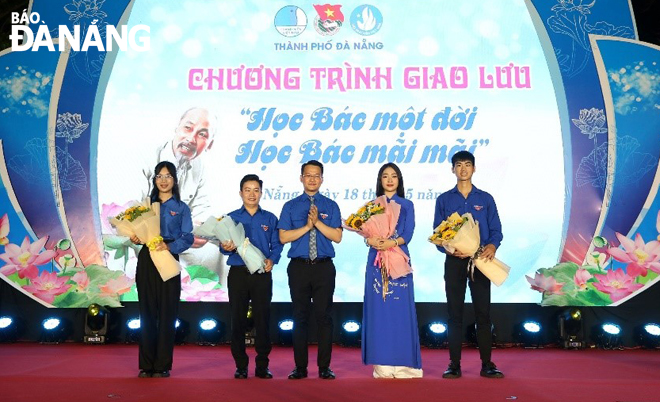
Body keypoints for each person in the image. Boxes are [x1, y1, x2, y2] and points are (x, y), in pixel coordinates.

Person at [433, 151, 504, 379]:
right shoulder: (444, 200)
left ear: (474, 169)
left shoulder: (485, 199)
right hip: (454, 263)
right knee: (454, 314)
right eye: (458, 165)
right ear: (452, 169)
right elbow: (438, 234)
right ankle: (454, 364)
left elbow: (496, 231)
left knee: (483, 313)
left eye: (467, 165)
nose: (463, 169)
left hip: (480, 261)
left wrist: (492, 246)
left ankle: (487, 364)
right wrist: (450, 248)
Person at [141, 107, 224, 285]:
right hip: (147, 239)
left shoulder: (199, 167)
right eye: (188, 128)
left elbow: (201, 212)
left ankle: (213, 305)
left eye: (202, 134)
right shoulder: (146, 157)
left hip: (181, 241)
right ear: (177, 127)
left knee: (220, 253)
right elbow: (131, 212)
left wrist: (204, 230)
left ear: (209, 144)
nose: (191, 138)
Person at [278, 160, 342, 380]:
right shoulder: (291, 206)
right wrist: (306, 226)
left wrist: (317, 223)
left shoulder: (331, 205)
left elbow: (337, 236)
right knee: (300, 317)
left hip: (324, 267)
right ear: (301, 178)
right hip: (299, 268)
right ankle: (300, 368)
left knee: (324, 318)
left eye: (316, 175)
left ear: (322, 179)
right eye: (308, 175)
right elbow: (283, 237)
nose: (312, 179)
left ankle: (324, 367)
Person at [132, 161, 193, 378]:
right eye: (159, 176)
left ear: (174, 180)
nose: (164, 180)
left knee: (168, 313)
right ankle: (146, 365)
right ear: (154, 180)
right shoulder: (145, 206)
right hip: (148, 257)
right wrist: (135, 237)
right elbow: (135, 230)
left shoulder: (181, 207)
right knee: (147, 313)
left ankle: (162, 366)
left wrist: (170, 246)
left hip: (168, 257)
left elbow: (188, 237)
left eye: (168, 176)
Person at [220, 174, 283, 379]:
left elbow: (277, 244)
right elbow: (224, 248)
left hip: (261, 274)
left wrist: (272, 259)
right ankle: (241, 365)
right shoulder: (230, 218)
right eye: (247, 190)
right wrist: (226, 247)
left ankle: (262, 365)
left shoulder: (270, 218)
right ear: (240, 193)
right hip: (238, 273)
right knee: (237, 319)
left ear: (261, 193)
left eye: (256, 190)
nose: (252, 194)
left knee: (263, 319)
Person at [362, 163, 422, 378]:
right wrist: (370, 239)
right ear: (380, 180)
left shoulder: (407, 204)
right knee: (380, 311)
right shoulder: (372, 205)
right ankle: (383, 364)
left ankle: (406, 365)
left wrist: (392, 242)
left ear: (399, 180)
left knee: (400, 310)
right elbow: (364, 230)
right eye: (385, 176)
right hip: (377, 261)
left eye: (393, 176)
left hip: (397, 258)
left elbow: (408, 233)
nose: (389, 180)